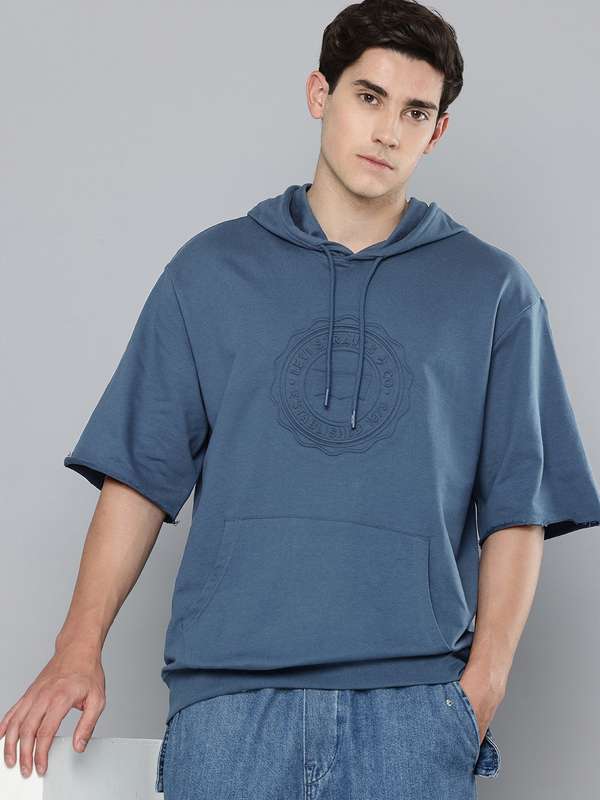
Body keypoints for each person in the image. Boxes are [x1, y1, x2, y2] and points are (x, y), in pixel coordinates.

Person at [3, 0, 600, 797]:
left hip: (413, 711)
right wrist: (77, 649)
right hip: (228, 708)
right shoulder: (210, 271)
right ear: (321, 94)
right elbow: (139, 475)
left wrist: (478, 693)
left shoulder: (493, 291)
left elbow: (519, 507)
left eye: (415, 112)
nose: (388, 130)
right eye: (369, 97)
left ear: (437, 132)